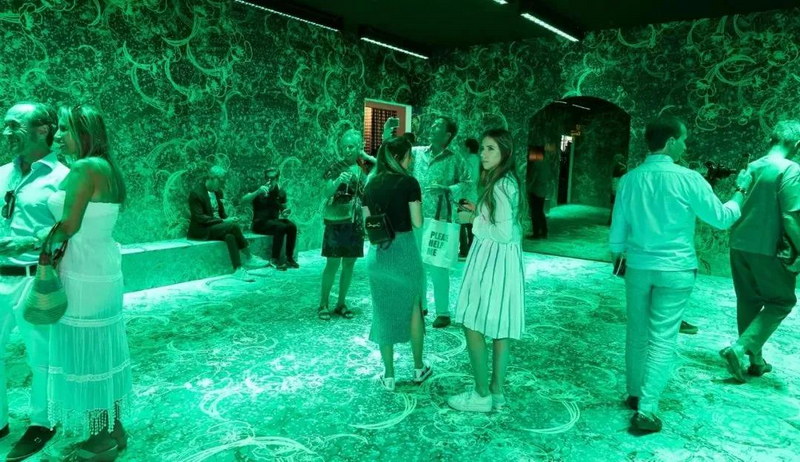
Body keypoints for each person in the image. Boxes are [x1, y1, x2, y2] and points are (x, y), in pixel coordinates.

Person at [609, 116, 752, 433]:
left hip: (638, 267)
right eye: (684, 139)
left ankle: (634, 394)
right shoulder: (688, 179)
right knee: (662, 338)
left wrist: (619, 254)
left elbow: (618, 231)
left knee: (637, 332)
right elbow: (722, 218)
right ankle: (647, 410)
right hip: (675, 269)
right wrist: (741, 189)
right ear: (671, 140)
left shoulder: (630, 179)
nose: (686, 145)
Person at [37, 104, 132, 460]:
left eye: (65, 128)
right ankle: (114, 426)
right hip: (102, 268)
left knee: (86, 355)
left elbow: (68, 226)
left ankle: (100, 440)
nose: (58, 135)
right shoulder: (107, 167)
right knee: (103, 348)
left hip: (82, 272)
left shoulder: (83, 167)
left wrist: (31, 242)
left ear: (85, 132)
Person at [0, 102, 67, 461]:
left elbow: (68, 231)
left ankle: (43, 422)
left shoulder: (63, 178)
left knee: (41, 357)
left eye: (14, 125)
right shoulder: (1, 174)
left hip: (33, 279)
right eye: (5, 125)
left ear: (43, 130)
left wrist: (28, 241)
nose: (6, 132)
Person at [447, 129, 525, 413]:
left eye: (491, 148)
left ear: (505, 151)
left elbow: (503, 232)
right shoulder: (507, 181)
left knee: (472, 322)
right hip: (504, 262)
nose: (483, 154)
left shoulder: (501, 185)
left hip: (492, 261)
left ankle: (481, 394)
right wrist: (479, 211)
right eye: (482, 148)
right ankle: (496, 391)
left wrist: (472, 219)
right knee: (501, 328)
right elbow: (506, 225)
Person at [721, 120, 800, 382]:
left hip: (739, 243)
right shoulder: (790, 169)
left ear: (771, 139)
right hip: (769, 247)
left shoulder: (752, 167)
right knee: (782, 301)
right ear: (797, 145)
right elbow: (789, 217)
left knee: (748, 300)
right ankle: (740, 348)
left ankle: (755, 361)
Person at [362, 136, 432, 391]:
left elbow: (367, 225)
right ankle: (418, 368)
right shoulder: (409, 183)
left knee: (382, 311)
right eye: (409, 156)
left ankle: (389, 375)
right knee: (414, 308)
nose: (411, 160)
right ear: (400, 157)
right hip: (404, 252)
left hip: (379, 253)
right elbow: (418, 222)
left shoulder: (370, 183)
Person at [397, 116, 472, 328]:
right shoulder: (417, 153)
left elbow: (468, 182)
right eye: (433, 124)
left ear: (448, 135)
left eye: (438, 126)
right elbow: (397, 162)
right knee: (417, 265)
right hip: (415, 218)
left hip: (440, 219)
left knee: (438, 266)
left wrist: (448, 189)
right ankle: (420, 306)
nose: (432, 127)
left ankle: (443, 312)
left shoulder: (455, 158)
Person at [187, 165, 268, 281]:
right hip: (202, 230)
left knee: (230, 236)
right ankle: (249, 257)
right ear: (211, 178)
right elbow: (200, 218)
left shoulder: (217, 192)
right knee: (232, 226)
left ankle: (238, 270)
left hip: (215, 226)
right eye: (220, 181)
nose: (222, 184)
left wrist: (228, 218)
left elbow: (221, 213)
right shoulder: (196, 193)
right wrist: (224, 221)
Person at [318, 129, 367, 320]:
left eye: (351, 146)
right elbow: (326, 193)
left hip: (356, 222)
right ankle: (323, 303)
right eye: (344, 146)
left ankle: (341, 303)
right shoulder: (334, 167)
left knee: (349, 264)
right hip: (336, 222)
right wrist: (338, 180)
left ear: (359, 147)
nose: (347, 150)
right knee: (332, 263)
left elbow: (366, 195)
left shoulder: (363, 167)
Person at [243, 167, 299, 270]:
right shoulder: (259, 189)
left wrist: (285, 212)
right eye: (267, 177)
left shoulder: (281, 192)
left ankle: (289, 258)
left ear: (277, 178)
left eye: (272, 178)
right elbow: (243, 200)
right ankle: (274, 259)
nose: (269, 180)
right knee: (280, 226)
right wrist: (257, 192)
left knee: (292, 226)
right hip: (259, 223)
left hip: (273, 222)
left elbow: (284, 208)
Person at [458, 138, 480, 260]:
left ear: (467, 148)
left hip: (466, 196)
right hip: (476, 196)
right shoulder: (481, 161)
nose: (461, 148)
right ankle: (473, 249)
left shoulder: (466, 162)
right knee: (472, 224)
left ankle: (464, 250)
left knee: (461, 223)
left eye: (462, 146)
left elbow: (465, 180)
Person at [526, 146, 550, 240]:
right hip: (543, 190)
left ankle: (536, 233)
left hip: (535, 190)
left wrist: (528, 187)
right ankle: (544, 231)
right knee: (540, 212)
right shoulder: (546, 164)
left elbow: (533, 178)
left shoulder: (536, 164)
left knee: (535, 213)